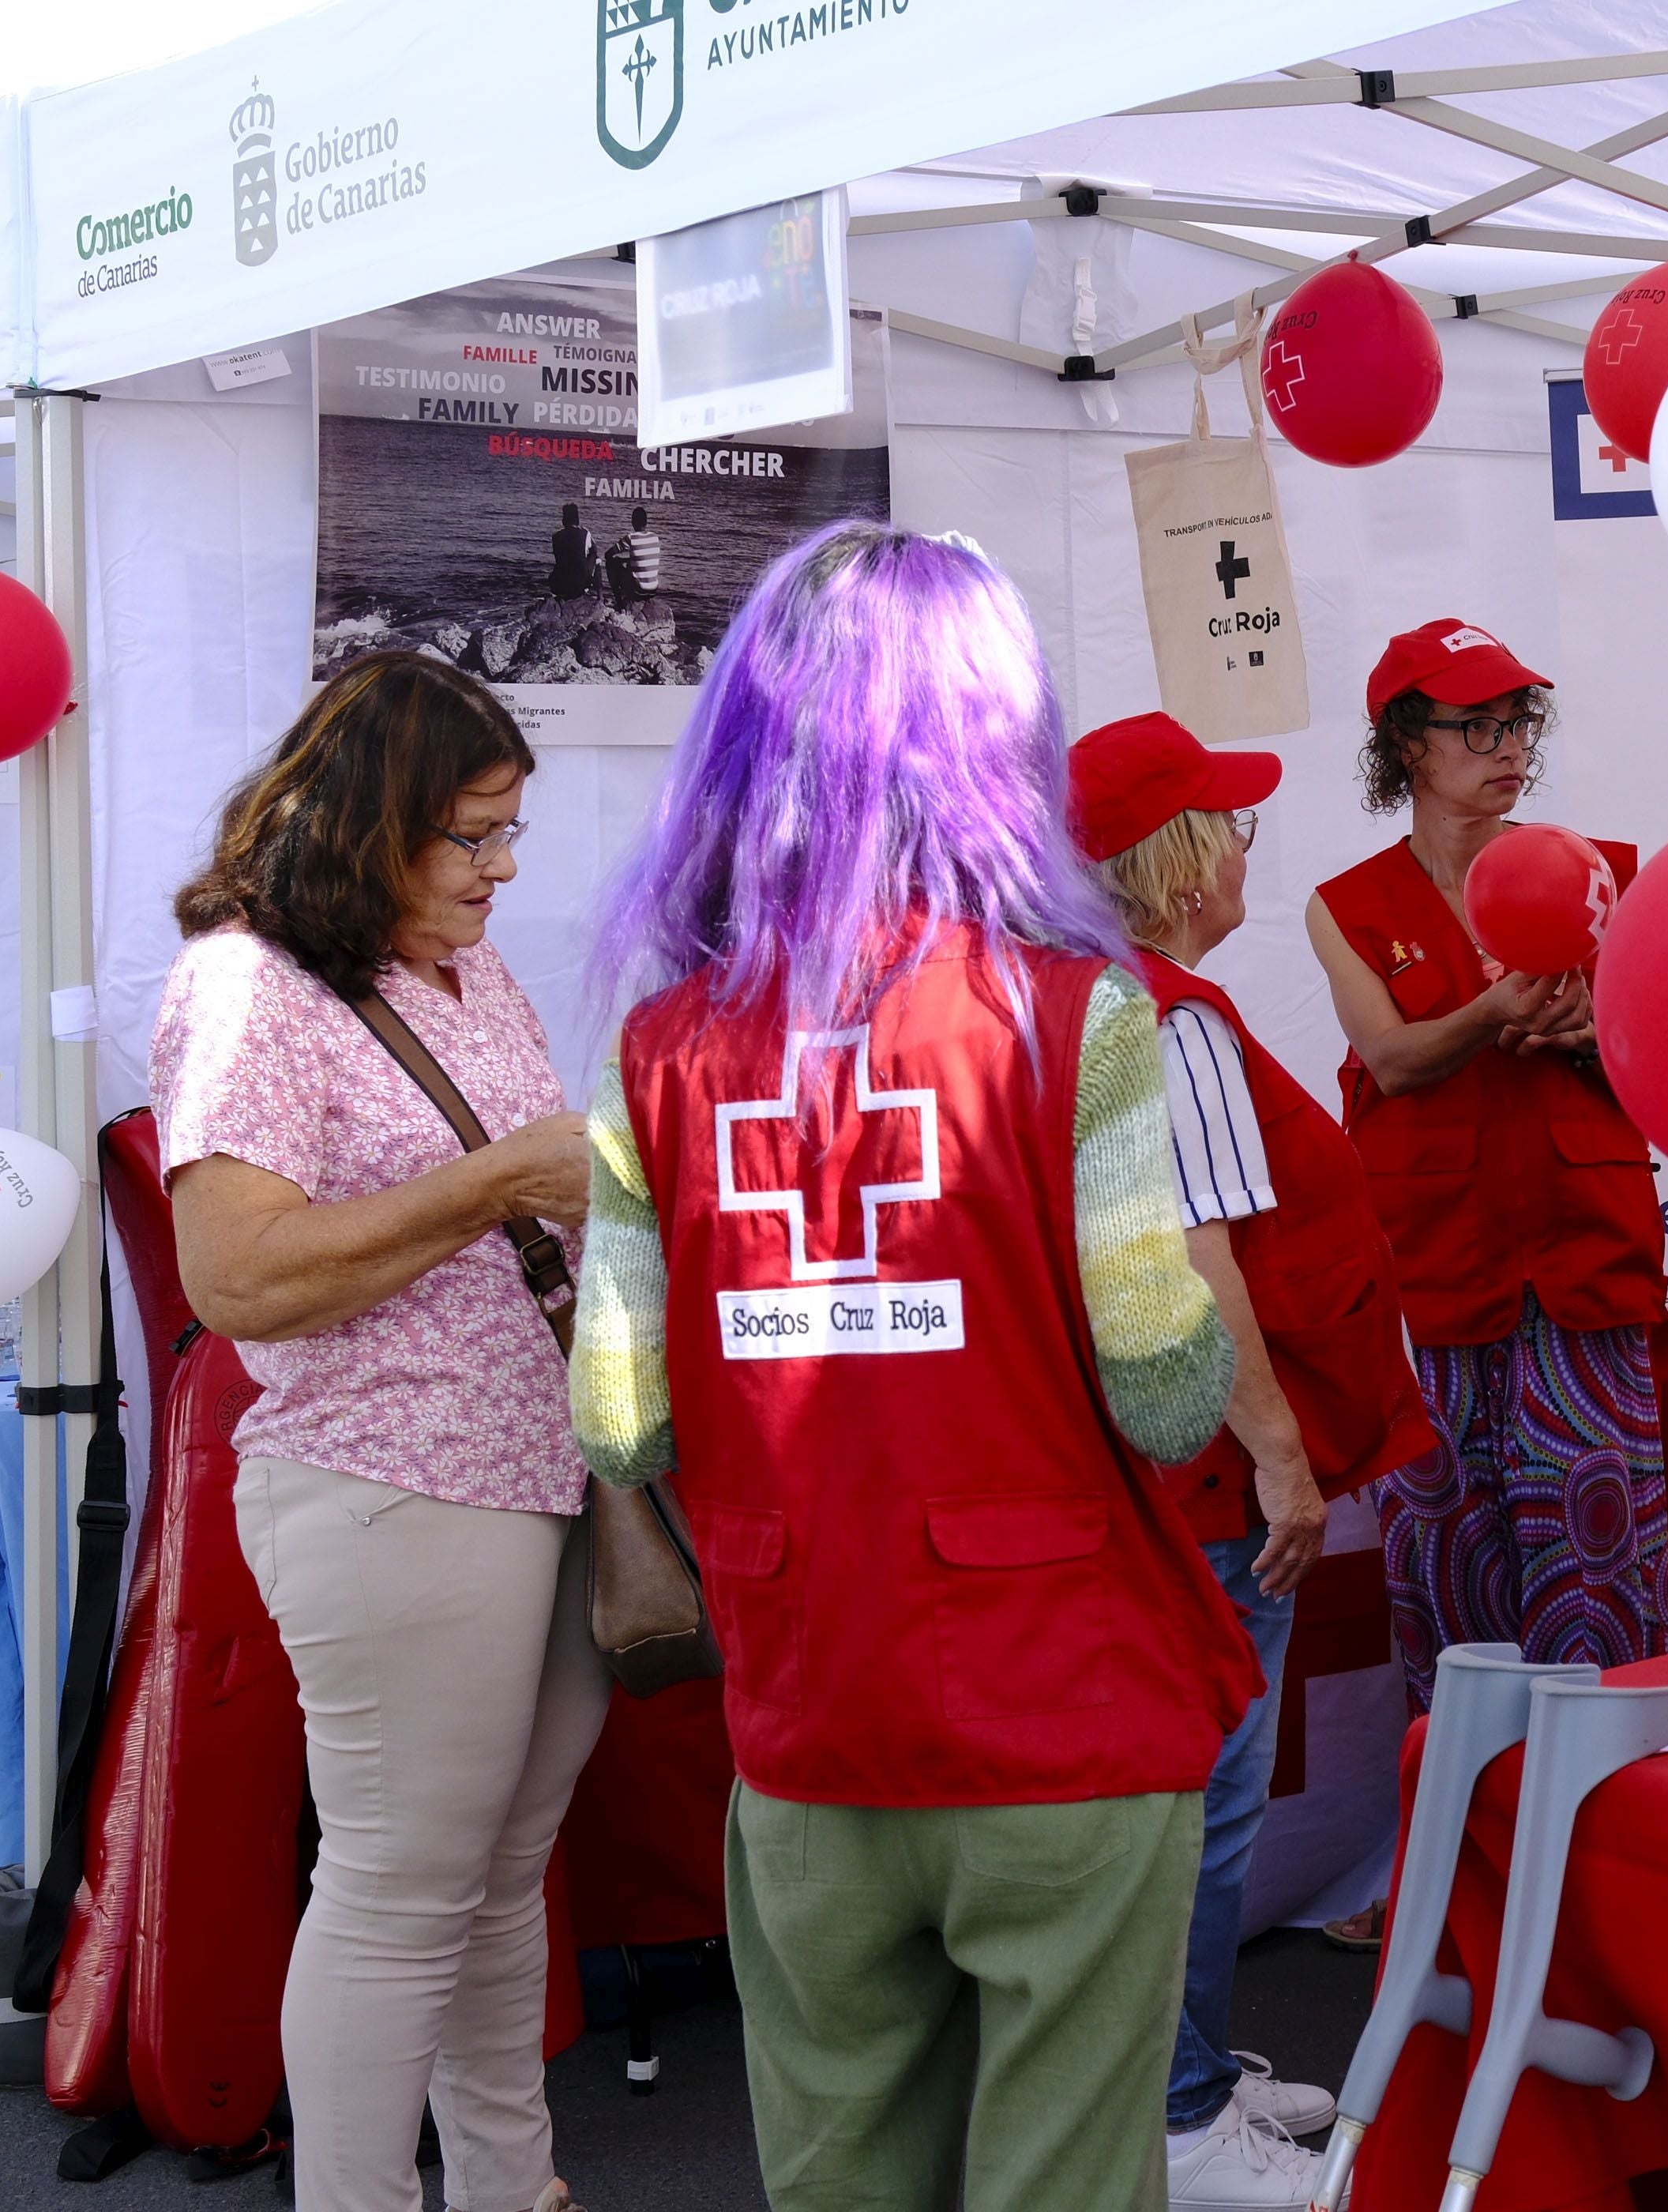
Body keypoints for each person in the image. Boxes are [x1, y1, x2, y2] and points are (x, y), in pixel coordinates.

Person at [570, 525, 1258, 2212]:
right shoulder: (1077, 1013)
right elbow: (1170, 1394)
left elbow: (621, 1407)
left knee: (839, 2172)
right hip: (1067, 1710)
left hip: (810, 1704)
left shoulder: (655, 1044)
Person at [150, 650, 599, 2212]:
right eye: (471, 834)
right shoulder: (248, 984)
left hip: (536, 1475)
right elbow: (236, 1275)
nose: (503, 866)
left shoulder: (472, 970)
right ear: (370, 822)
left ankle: (509, 2182)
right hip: (390, 1475)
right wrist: (495, 1183)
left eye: (509, 830)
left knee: (496, 1881)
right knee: (402, 1893)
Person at [1070, 713, 1435, 2207]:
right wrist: (1284, 1461)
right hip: (1214, 1477)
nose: (1247, 842)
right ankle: (1175, 2121)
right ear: (1169, 859)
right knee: (1208, 1803)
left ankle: (1191, 2074)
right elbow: (1202, 1262)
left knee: (1165, 1799)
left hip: (1132, 1472)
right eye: (1226, 820)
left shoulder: (1081, 1001)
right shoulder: (1175, 1021)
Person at [1306, 619, 1668, 1722]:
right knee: (1448, 1598)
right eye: (1474, 727)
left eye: (1517, 723)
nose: (1505, 746)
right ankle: (1471, 1869)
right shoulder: (1351, 904)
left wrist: (1587, 1038)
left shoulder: (1605, 874)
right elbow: (1389, 1057)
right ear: (1408, 746)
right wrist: (1491, 1013)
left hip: (1584, 1281)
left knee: (1601, 1595)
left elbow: (1664, 1071)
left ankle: (1611, 1857)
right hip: (1434, 1293)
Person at [603, 505, 664, 607]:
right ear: (646, 522)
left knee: (610, 562)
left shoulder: (631, 538)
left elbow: (608, 554)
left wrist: (620, 561)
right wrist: (628, 560)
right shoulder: (655, 538)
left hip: (638, 590)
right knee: (630, 566)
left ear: (633, 522)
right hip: (653, 591)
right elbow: (642, 559)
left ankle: (619, 603)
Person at [547, 502, 597, 599]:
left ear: (564, 520)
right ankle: (597, 593)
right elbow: (594, 550)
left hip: (558, 585)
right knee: (594, 556)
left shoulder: (556, 536)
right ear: (577, 519)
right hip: (579, 585)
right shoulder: (585, 533)